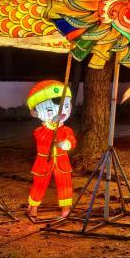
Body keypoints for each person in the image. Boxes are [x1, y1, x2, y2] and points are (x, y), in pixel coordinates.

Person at [26, 80, 76, 219]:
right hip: (43, 162)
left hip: (62, 162)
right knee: (39, 185)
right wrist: (50, 126)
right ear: (35, 113)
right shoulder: (39, 131)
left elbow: (72, 141)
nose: (61, 112)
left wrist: (66, 144)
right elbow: (42, 138)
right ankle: (33, 206)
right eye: (49, 110)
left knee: (65, 185)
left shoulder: (66, 130)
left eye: (67, 106)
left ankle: (66, 208)